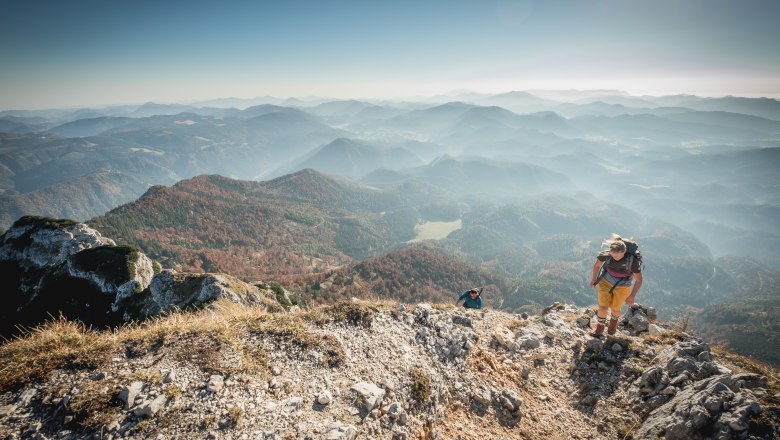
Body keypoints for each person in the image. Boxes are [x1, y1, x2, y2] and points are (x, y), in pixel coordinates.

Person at [588, 234, 643, 337]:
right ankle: (599, 328)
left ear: (624, 251)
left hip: (623, 286)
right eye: (613, 255)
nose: (615, 258)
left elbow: (639, 280)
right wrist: (593, 279)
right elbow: (597, 266)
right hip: (605, 282)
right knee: (603, 307)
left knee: (615, 308)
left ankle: (613, 324)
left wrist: (632, 296)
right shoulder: (606, 255)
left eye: (618, 256)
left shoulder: (632, 262)